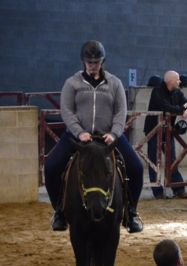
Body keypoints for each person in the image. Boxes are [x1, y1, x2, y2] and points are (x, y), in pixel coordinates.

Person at [45, 40, 144, 233]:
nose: (92, 66)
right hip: (78, 136)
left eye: (96, 62)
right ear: (83, 62)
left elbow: (120, 111)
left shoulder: (114, 83)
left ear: (102, 62)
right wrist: (79, 132)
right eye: (89, 62)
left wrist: (114, 133)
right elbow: (66, 110)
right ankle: (59, 211)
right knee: (51, 167)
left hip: (108, 136)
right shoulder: (72, 83)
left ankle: (131, 213)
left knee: (136, 167)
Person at [143, 71, 187, 199]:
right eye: (177, 80)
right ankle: (158, 192)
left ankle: (178, 189)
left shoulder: (177, 92)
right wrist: (182, 110)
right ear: (170, 81)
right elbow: (166, 107)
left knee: (172, 160)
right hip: (154, 130)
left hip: (168, 131)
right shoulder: (157, 91)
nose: (179, 82)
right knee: (154, 161)